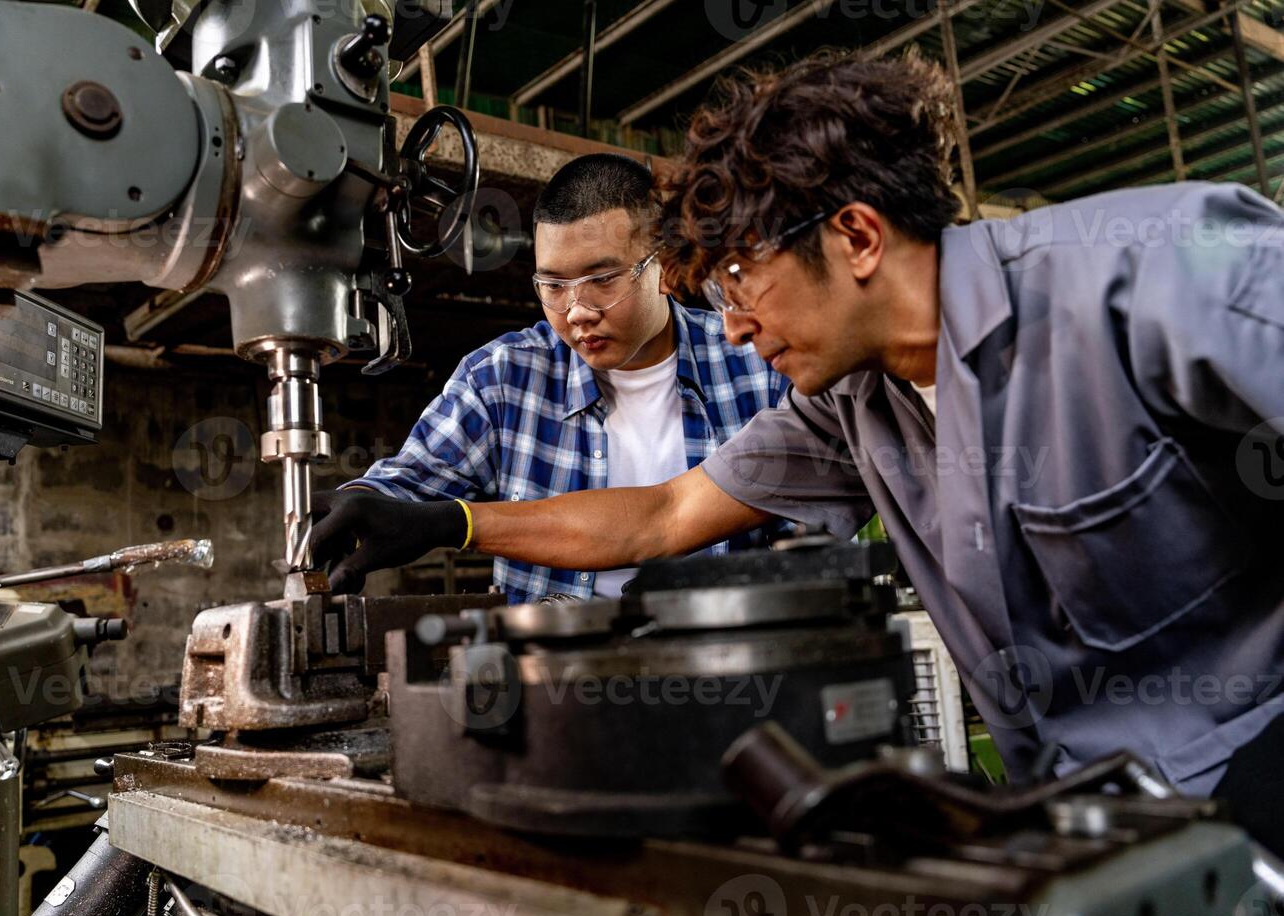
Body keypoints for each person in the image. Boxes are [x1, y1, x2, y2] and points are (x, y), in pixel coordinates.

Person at [312, 52, 1284, 851]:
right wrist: (450, 518)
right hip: (1087, 836)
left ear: (857, 235)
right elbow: (665, 512)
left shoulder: (1162, 271)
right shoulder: (856, 410)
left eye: (740, 280)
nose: (732, 330)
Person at [333, 153, 788, 602]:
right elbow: (407, 486)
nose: (577, 312)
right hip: (554, 671)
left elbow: (813, 551)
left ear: (665, 267)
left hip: (727, 667)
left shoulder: (758, 365)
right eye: (553, 286)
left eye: (603, 279)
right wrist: (355, 504)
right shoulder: (502, 380)